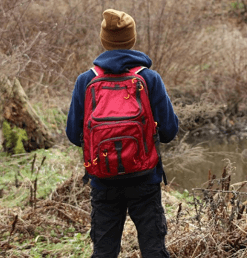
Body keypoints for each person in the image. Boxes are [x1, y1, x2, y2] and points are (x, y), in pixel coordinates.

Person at [66, 9, 179, 258]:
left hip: (103, 181)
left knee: (105, 251)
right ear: (132, 39)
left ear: (104, 40)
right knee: (153, 250)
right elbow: (170, 131)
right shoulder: (149, 78)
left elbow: (74, 135)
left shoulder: (85, 81)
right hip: (145, 179)